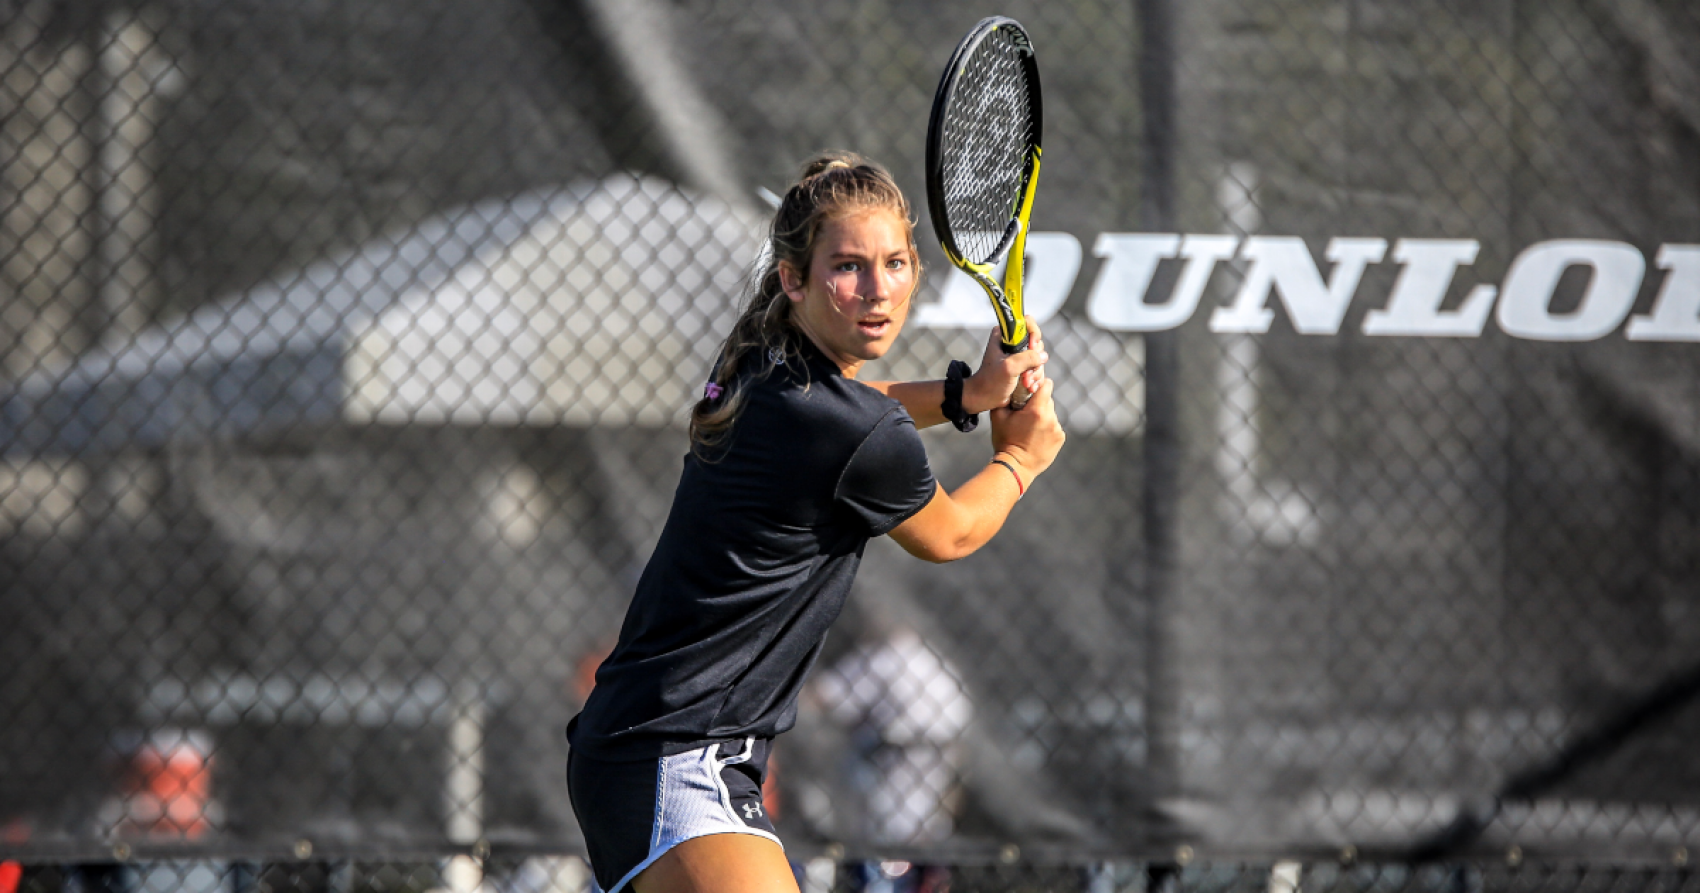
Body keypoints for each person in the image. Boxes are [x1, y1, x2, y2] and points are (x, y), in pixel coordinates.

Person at [565, 151, 1066, 893]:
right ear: (794, 280)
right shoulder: (854, 432)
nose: (877, 290)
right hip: (680, 754)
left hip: (634, 747)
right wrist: (1021, 459)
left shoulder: (763, 366)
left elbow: (868, 412)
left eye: (895, 262)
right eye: (849, 267)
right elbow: (951, 531)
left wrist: (969, 395)